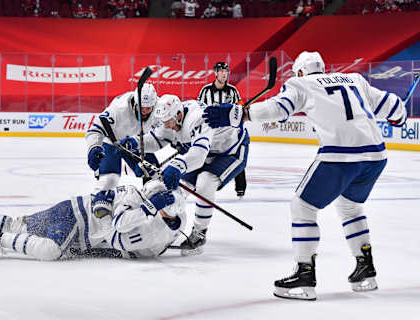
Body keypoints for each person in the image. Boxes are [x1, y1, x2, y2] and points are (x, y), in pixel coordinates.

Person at [202, 51, 408, 300]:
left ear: (300, 72)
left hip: (340, 156)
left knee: (302, 207)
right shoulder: (354, 79)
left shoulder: (301, 83)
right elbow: (396, 106)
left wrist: (241, 114)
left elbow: (279, 108)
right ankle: (366, 268)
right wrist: (398, 119)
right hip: (376, 156)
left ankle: (304, 274)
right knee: (350, 206)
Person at [121, 94, 249, 255]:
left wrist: (177, 165)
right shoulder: (170, 116)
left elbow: (199, 154)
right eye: (164, 123)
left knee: (205, 182)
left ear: (179, 115)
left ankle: (199, 234)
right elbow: (157, 139)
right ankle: (169, 226)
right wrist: (135, 142)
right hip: (204, 151)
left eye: (169, 122)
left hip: (230, 152)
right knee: (180, 188)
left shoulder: (198, 119)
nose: (166, 126)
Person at [0, 179, 187, 260]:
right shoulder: (140, 205)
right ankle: (0, 239)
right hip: (77, 218)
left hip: (76, 213)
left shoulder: (160, 222)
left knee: (21, 224)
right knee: (50, 251)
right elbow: (115, 236)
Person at [85, 83, 158, 193]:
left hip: (136, 142)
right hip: (112, 141)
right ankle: (100, 206)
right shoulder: (118, 108)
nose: (144, 111)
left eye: (148, 108)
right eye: (141, 107)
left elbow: (168, 130)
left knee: (154, 176)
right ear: (135, 102)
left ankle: (151, 206)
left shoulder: (160, 108)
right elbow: (95, 129)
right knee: (109, 180)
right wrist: (94, 147)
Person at [197, 62, 247, 198]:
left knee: (236, 156)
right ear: (215, 73)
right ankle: (198, 183)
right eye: (221, 71)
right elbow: (198, 109)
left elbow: (240, 108)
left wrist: (242, 109)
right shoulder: (205, 90)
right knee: (203, 155)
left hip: (228, 132)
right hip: (211, 132)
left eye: (226, 71)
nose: (224, 74)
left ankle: (240, 188)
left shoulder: (233, 91)